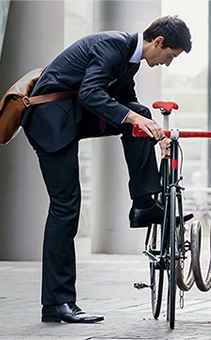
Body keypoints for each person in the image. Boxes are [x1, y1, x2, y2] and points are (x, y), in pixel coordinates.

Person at [21, 15, 192, 324]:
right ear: (158, 42)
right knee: (65, 208)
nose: (167, 63)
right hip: (50, 122)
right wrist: (137, 121)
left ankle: (142, 204)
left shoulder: (131, 59)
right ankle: (57, 303)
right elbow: (90, 93)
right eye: (170, 56)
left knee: (139, 114)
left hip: (70, 117)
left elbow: (130, 107)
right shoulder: (113, 46)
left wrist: (155, 136)